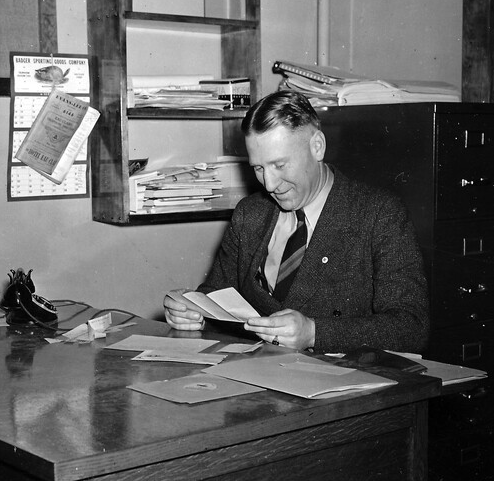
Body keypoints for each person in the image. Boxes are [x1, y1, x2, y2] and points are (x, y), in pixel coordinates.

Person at [163, 90, 429, 354]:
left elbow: (411, 327)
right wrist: (192, 313)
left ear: (317, 147)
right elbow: (214, 297)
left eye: (279, 165)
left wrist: (314, 332)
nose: (269, 184)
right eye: (258, 168)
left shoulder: (379, 214)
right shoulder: (250, 214)